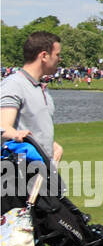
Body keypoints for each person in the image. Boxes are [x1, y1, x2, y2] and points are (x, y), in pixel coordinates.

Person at [1, 31, 64, 170]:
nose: (60, 59)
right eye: (57, 55)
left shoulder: (40, 88)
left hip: (42, 172)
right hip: (18, 174)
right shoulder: (14, 84)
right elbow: (3, 127)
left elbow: (35, 130)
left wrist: (50, 146)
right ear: (44, 56)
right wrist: (16, 134)